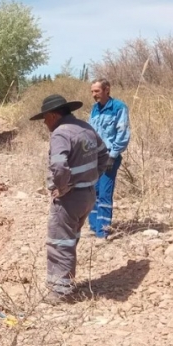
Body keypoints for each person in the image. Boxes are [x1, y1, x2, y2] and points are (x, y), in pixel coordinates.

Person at [30, 95, 110, 304]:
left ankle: (60, 293)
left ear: (53, 115)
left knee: (60, 243)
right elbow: (104, 156)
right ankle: (66, 283)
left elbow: (58, 166)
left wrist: (62, 188)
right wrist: (91, 178)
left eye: (45, 119)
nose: (45, 124)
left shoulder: (60, 133)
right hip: (88, 195)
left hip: (70, 199)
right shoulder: (85, 128)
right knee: (70, 240)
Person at [87, 78, 131, 239]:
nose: (94, 95)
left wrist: (112, 156)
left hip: (108, 156)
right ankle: (93, 227)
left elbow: (123, 134)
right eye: (92, 91)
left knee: (104, 192)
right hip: (93, 156)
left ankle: (103, 231)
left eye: (97, 91)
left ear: (107, 90)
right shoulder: (94, 109)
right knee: (92, 191)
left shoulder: (119, 108)